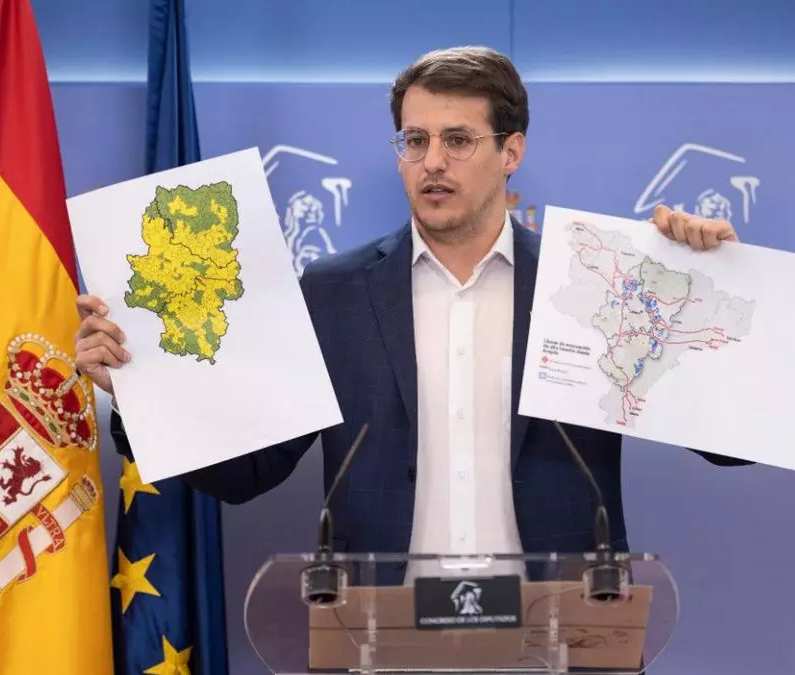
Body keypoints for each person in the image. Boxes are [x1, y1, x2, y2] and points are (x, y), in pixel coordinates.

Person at [75, 46, 750, 584]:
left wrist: (704, 283)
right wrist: (140, 389)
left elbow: (730, 446)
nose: (432, 162)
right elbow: (249, 472)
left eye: (458, 140)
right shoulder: (335, 291)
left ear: (511, 152)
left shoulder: (591, 283)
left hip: (561, 637)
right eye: (414, 139)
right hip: (380, 639)